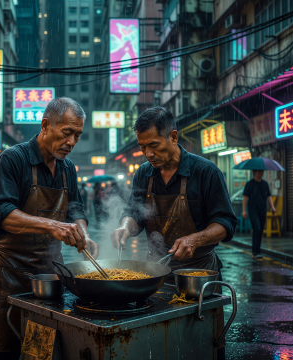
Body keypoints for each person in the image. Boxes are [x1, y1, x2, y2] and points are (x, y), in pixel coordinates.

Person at [110, 106, 237, 360]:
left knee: (201, 344)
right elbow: (134, 214)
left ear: (174, 137)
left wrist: (196, 238)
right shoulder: (144, 174)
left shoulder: (206, 172)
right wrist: (125, 227)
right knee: (158, 345)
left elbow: (226, 222)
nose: (148, 154)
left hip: (198, 277)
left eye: (154, 145)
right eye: (143, 147)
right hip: (156, 276)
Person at [0, 97, 99, 359]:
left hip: (49, 274)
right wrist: (52, 225)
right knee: (5, 348)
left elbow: (75, 208)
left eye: (77, 135)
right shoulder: (12, 160)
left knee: (43, 349)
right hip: (10, 273)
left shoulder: (68, 168)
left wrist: (84, 234)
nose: (72, 142)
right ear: (45, 125)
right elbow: (0, 213)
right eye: (67, 133)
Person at [242, 169, 276, 259]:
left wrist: (272, 207)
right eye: (259, 171)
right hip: (253, 210)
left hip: (263, 209)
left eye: (262, 171)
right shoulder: (249, 184)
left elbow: (268, 196)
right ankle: (255, 251)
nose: (261, 173)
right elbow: (245, 198)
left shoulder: (265, 184)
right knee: (256, 228)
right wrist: (243, 210)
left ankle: (257, 250)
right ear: (254, 172)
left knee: (260, 230)